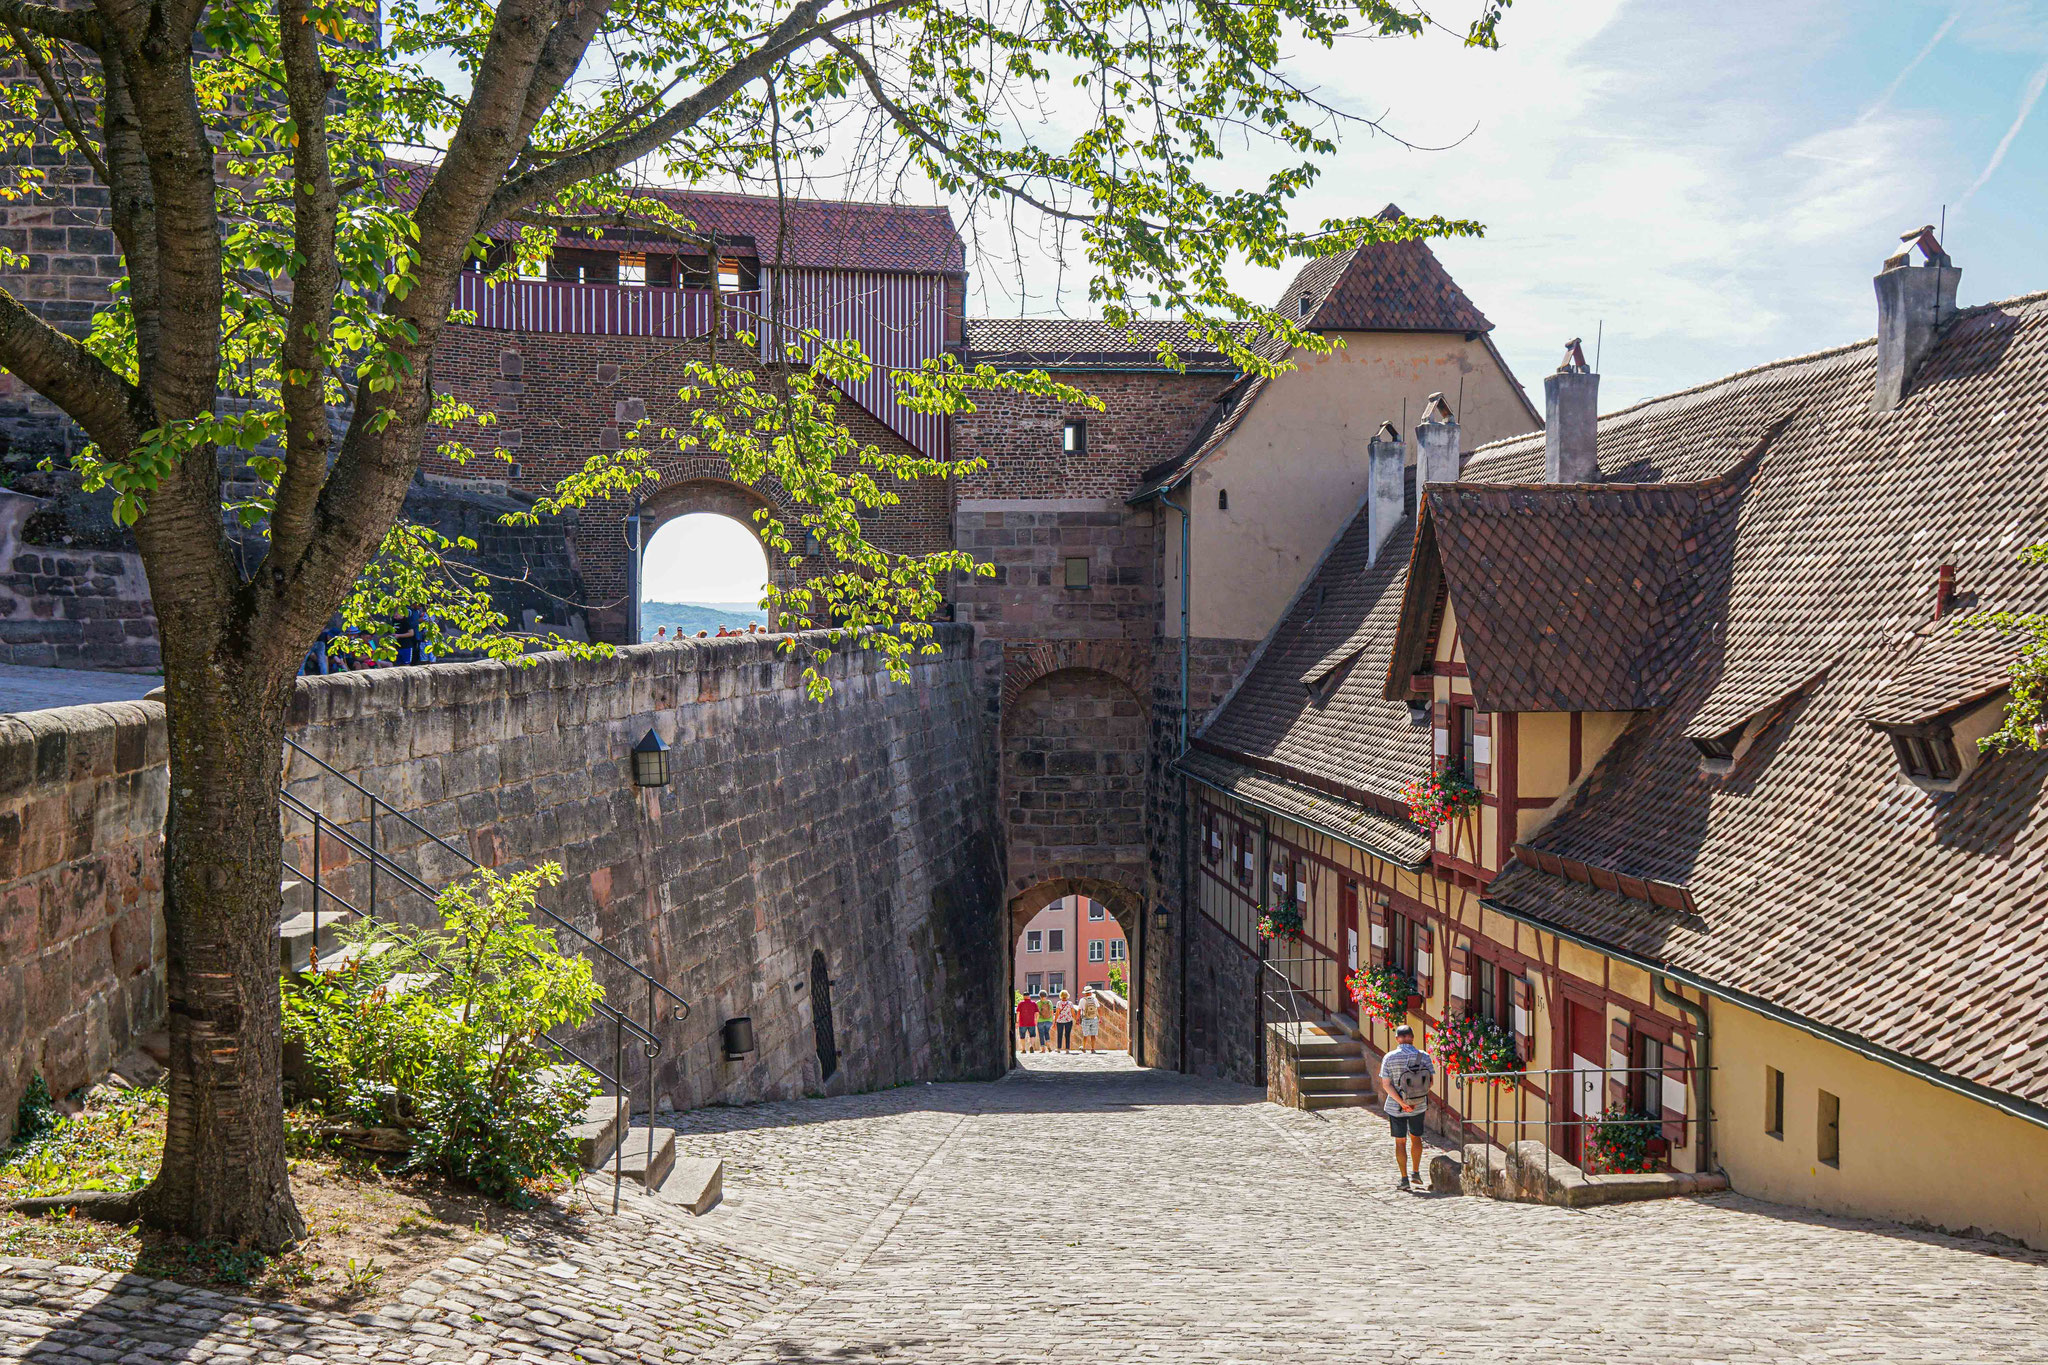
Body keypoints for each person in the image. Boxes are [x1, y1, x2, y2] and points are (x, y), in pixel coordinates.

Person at [1377, 1023, 1435, 1192]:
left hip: (1396, 1107)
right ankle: (1416, 1172)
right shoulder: (1423, 1056)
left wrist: (1402, 1103)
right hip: (1418, 1105)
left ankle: (1404, 1179)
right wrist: (1415, 1100)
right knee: (1416, 1137)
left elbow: (1386, 1085)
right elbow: (1430, 1082)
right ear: (1412, 1038)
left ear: (1397, 1039)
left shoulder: (1389, 1057)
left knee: (1400, 1141)